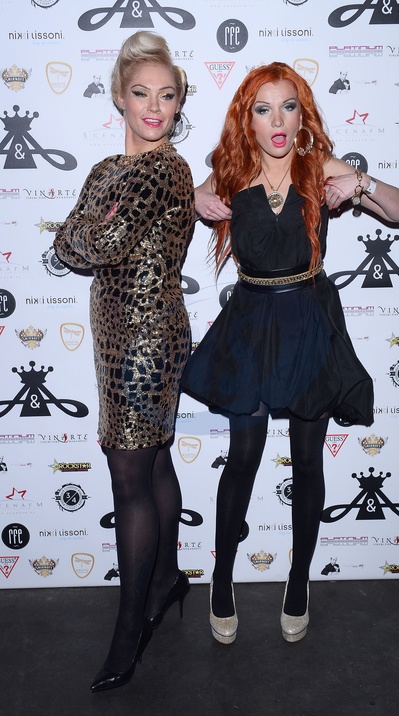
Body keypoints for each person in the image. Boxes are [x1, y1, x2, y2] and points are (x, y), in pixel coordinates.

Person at [183, 62, 399, 644]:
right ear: (248, 120)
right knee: (244, 454)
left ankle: (298, 579)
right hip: (250, 323)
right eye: (263, 109)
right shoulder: (231, 169)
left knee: (309, 460)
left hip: (310, 321)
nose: (277, 120)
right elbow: (190, 203)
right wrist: (195, 199)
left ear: (302, 113)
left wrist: (359, 185)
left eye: (288, 106)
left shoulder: (319, 166)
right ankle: (221, 577)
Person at [54, 31, 194, 691]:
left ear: (178, 103)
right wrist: (85, 230)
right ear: (119, 96)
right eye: (142, 93)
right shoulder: (104, 170)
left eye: (167, 95)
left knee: (129, 478)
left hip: (148, 342)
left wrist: (86, 229)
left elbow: (99, 243)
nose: (154, 107)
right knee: (152, 462)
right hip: (113, 337)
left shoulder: (166, 170)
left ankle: (128, 631)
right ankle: (165, 580)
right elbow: (66, 245)